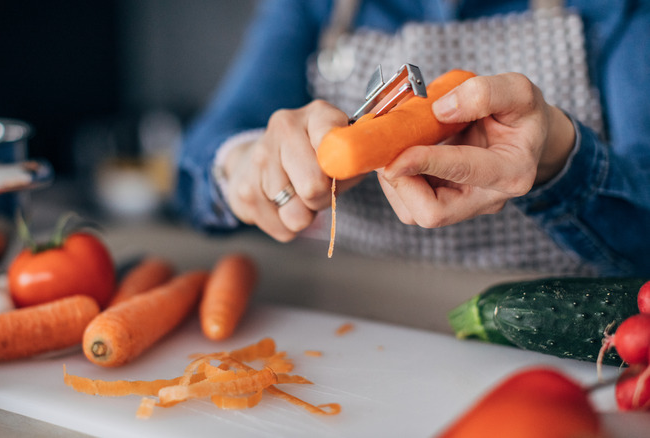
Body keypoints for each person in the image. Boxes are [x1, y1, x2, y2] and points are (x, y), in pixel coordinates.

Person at [174, 0, 650, 276]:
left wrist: (558, 160)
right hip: (359, 320)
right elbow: (200, 159)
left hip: (546, 341)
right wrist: (241, 164)